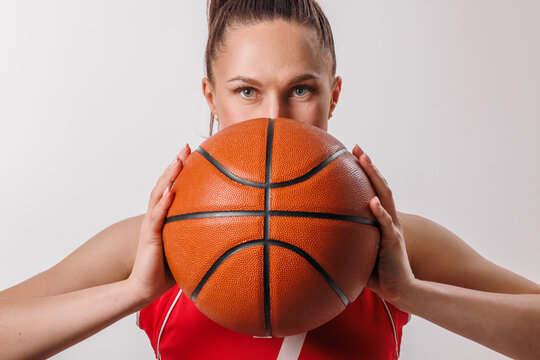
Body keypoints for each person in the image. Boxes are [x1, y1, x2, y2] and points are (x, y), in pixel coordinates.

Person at [1, 0, 540, 359]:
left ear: (335, 94)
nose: (276, 118)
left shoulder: (392, 239)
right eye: (247, 91)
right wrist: (133, 291)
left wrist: (410, 293)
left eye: (301, 89)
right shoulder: (155, 239)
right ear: (211, 97)